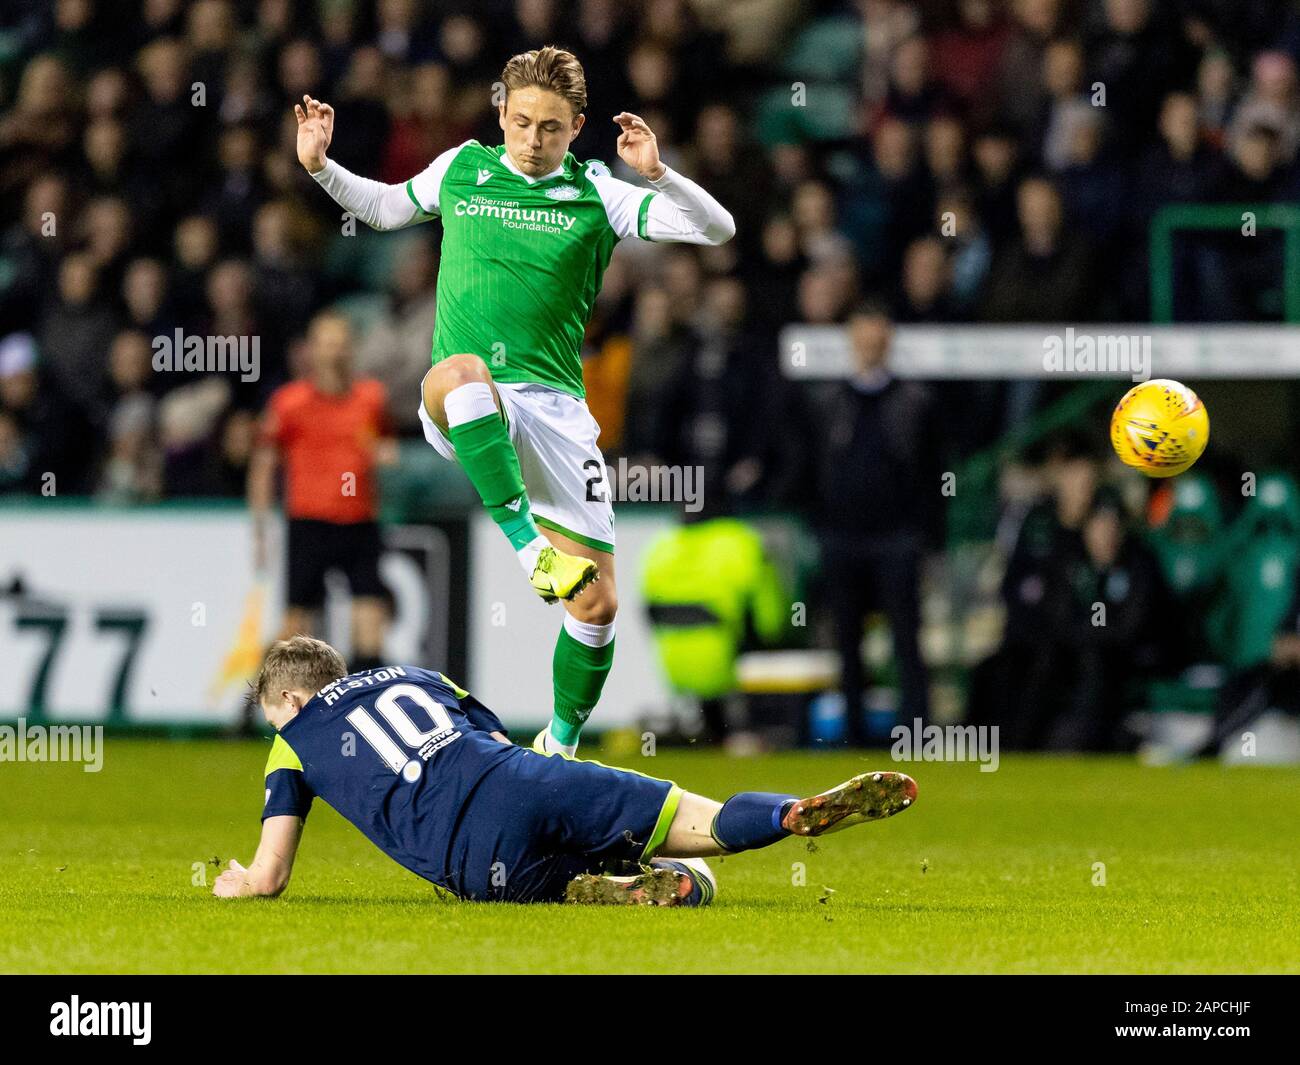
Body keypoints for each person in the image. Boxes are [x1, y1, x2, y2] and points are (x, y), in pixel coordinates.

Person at [294, 45, 735, 758]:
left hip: (557, 413)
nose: (534, 139)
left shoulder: (599, 193)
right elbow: (381, 207)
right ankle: (531, 550)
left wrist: (657, 173)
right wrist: (320, 165)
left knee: (595, 607)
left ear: (577, 127)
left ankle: (558, 746)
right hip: (472, 398)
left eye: (552, 127)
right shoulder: (462, 168)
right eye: (523, 121)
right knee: (461, 373)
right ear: (501, 112)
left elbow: (718, 231)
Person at [212, 636, 918, 906]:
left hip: (472, 854)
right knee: (693, 821)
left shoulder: (295, 738)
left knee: (559, 883)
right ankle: (786, 813)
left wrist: (241, 880)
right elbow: (486, 733)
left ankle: (615, 888)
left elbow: (272, 873)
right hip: (523, 775)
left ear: (294, 699)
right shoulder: (413, 673)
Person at [810, 301, 941, 744]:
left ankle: (917, 732)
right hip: (843, 537)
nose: (869, 345)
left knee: (907, 638)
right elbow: (812, 470)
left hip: (897, 538)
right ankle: (853, 735)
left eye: (877, 335)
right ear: (851, 340)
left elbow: (931, 473)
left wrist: (927, 540)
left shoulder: (916, 402)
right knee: (847, 641)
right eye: (862, 335)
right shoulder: (828, 402)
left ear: (888, 341)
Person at [248, 311, 397, 673]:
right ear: (312, 351)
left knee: (371, 622)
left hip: (360, 523)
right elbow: (265, 465)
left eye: (342, 345)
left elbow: (385, 446)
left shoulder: (371, 398)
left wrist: (384, 455)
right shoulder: (290, 403)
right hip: (309, 524)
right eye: (328, 345)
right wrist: (261, 527)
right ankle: (255, 696)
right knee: (296, 629)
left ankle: (363, 711)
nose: (336, 353)